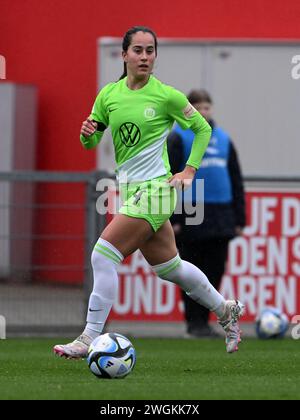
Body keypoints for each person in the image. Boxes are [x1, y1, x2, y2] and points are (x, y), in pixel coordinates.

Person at [53, 26, 244, 359]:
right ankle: (225, 309)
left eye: (150, 50)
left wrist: (189, 170)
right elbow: (92, 138)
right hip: (131, 192)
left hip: (157, 191)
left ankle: (88, 338)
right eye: (138, 50)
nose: (144, 57)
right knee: (170, 268)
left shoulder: (166, 95)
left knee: (103, 254)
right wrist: (86, 134)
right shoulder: (108, 95)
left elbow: (201, 128)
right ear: (124, 54)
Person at [168, 89, 246, 337]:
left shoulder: (224, 139)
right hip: (190, 210)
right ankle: (194, 322)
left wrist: (239, 218)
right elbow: (170, 177)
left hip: (220, 212)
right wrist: (174, 217)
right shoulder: (178, 137)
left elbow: (235, 178)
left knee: (215, 269)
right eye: (197, 107)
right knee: (190, 268)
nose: (202, 112)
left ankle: (208, 319)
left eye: (206, 107)